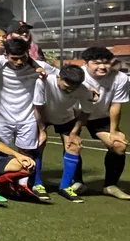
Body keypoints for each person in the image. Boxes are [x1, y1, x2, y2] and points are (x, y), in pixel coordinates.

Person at [0, 37, 56, 201]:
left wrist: (89, 89)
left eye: (22, 57)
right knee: (1, 152)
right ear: (6, 55)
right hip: (2, 117)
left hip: (27, 116)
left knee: (27, 152)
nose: (18, 62)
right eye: (14, 58)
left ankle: (23, 185)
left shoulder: (39, 67)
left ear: (28, 54)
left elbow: (61, 77)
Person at [74, 47, 129, 200]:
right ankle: (77, 182)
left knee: (118, 146)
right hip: (75, 115)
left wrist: (114, 130)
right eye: (96, 63)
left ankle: (110, 186)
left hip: (100, 117)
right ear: (85, 63)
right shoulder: (78, 75)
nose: (102, 67)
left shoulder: (120, 78)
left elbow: (115, 105)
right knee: (72, 144)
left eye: (106, 63)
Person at [33, 64, 93, 202]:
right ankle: (37, 184)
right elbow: (38, 107)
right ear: (59, 77)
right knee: (38, 143)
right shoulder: (43, 82)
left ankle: (65, 187)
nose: (70, 90)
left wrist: (74, 132)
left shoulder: (84, 90)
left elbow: (85, 113)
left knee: (73, 146)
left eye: (73, 88)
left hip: (65, 118)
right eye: (66, 87)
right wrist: (42, 130)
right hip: (42, 116)